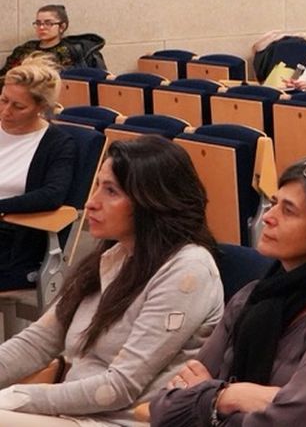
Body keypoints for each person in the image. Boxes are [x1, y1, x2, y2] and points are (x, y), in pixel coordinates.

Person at [150, 159, 306, 427]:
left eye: (288, 211)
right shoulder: (257, 293)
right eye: (274, 203)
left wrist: (214, 400)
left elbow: (299, 420)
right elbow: (164, 406)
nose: (268, 217)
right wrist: (229, 398)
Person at [0, 138, 222, 425]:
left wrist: (17, 397)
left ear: (151, 201)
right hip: (77, 413)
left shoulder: (188, 270)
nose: (91, 203)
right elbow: (37, 343)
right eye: (97, 186)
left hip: (123, 420)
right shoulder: (115, 255)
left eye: (111, 192)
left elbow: (119, 388)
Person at [0, 59, 78, 291]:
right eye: (3, 100)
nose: (6, 111)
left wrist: (2, 206)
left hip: (15, 237)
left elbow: (52, 195)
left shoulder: (58, 144)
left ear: (41, 107)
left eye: (18, 106)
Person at [3, 5, 106, 75]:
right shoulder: (25, 50)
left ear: (62, 27)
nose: (42, 27)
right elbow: (5, 76)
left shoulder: (74, 51)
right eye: (38, 23)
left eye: (48, 23)